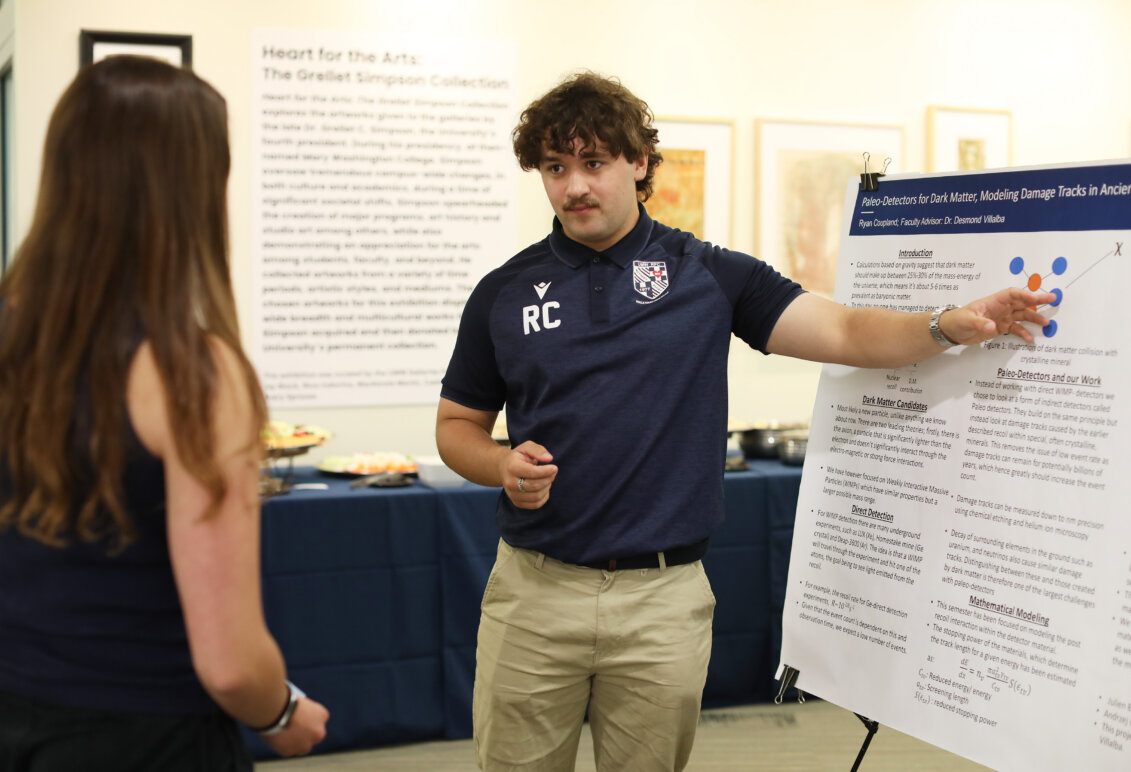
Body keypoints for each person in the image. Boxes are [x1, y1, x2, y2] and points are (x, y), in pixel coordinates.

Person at [435, 72, 1053, 772]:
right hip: (534, 594)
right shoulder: (503, 292)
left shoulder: (706, 275)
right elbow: (456, 424)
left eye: (593, 162)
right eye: (554, 168)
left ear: (638, 163)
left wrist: (947, 325)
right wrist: (498, 465)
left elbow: (845, 332)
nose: (574, 185)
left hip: (661, 602)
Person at [0, 57, 328, 770]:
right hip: (145, 736)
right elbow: (232, 664)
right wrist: (284, 713)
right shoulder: (193, 375)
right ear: (193, 188)